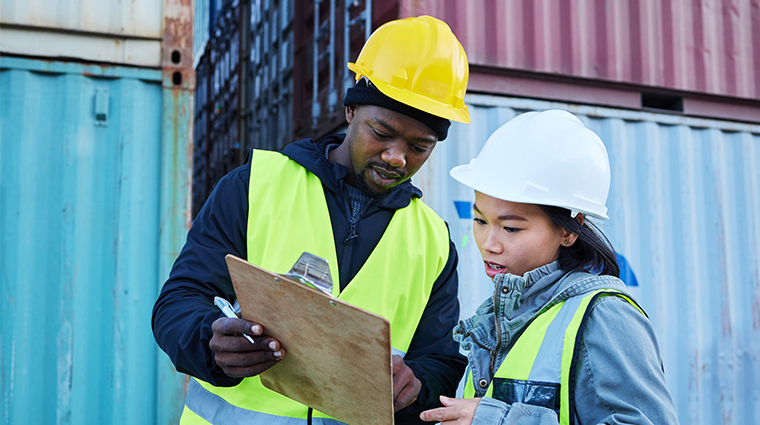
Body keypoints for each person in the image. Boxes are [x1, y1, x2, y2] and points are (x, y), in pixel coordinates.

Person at [152, 15, 471, 425]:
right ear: (351, 110)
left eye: (419, 146)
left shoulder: (433, 241)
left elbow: (440, 361)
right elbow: (179, 300)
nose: (396, 157)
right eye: (382, 132)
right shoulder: (254, 187)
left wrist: (416, 386)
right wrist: (210, 340)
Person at [419, 110, 679, 424]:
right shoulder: (500, 317)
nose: (489, 243)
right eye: (480, 221)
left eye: (511, 229)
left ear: (569, 230)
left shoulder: (605, 315)